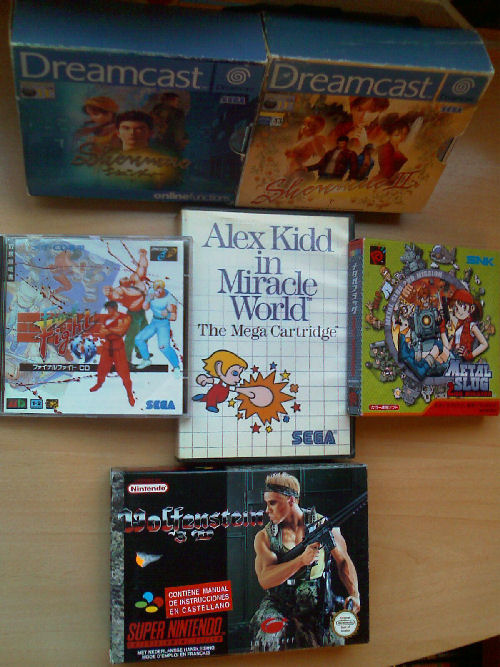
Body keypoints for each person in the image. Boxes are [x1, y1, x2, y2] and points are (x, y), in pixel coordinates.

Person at [250, 472, 360, 651]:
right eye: (266, 503)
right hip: (280, 604)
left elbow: (343, 561)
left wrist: (354, 594)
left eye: (272, 503)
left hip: (318, 602)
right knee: (267, 638)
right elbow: (265, 579)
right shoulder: (265, 537)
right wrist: (301, 561)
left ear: (291, 500)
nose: (267, 510)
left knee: (335, 640)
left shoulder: (322, 525)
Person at [103, 249, 149, 362]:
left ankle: (140, 352)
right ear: (121, 283)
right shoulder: (121, 290)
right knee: (131, 337)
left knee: (144, 332)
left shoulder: (136, 280)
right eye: (122, 279)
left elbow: (142, 267)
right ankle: (126, 360)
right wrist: (108, 293)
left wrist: (143, 256)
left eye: (126, 278)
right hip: (133, 315)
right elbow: (114, 296)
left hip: (141, 313)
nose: (125, 278)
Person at [90, 300, 135, 406]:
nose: (108, 311)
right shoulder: (106, 318)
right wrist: (110, 330)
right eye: (107, 310)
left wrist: (109, 331)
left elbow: (121, 331)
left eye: (109, 309)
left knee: (124, 373)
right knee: (102, 369)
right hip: (107, 347)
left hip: (118, 348)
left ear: (114, 308)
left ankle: (130, 394)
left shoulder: (125, 317)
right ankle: (99, 384)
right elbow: (102, 332)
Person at [134, 280, 180, 373]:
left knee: (164, 347)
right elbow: (145, 307)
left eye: (159, 290)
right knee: (138, 339)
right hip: (154, 322)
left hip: (163, 324)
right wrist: (148, 300)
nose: (156, 292)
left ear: (163, 289)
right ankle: (146, 360)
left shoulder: (170, 299)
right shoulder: (151, 292)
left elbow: (174, 317)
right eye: (155, 290)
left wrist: (167, 315)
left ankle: (176, 367)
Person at [447, 289, 488, 361]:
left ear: (471, 308)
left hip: (460, 358)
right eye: (456, 308)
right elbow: (453, 342)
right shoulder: (459, 324)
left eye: (463, 307)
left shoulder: (472, 326)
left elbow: (484, 344)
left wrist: (470, 355)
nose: (459, 311)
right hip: (452, 353)